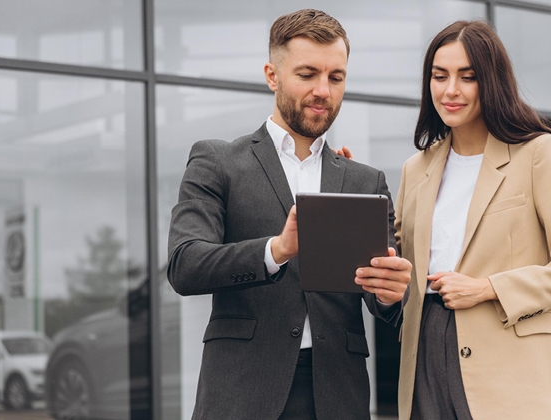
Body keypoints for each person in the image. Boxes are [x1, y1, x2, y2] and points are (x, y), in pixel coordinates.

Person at [167, 9, 412, 420]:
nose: (323, 90)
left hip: (338, 394)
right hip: (243, 392)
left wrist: (391, 293)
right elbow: (185, 264)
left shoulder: (365, 181)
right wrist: (275, 250)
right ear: (272, 75)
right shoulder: (217, 161)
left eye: (336, 77)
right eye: (307, 74)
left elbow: (385, 303)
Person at [393, 20, 551, 419]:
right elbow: (399, 265)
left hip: (510, 364)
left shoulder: (538, 153)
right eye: (440, 76)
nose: (450, 90)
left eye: (467, 77)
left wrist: (488, 288)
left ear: (490, 82)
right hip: (425, 349)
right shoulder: (414, 169)